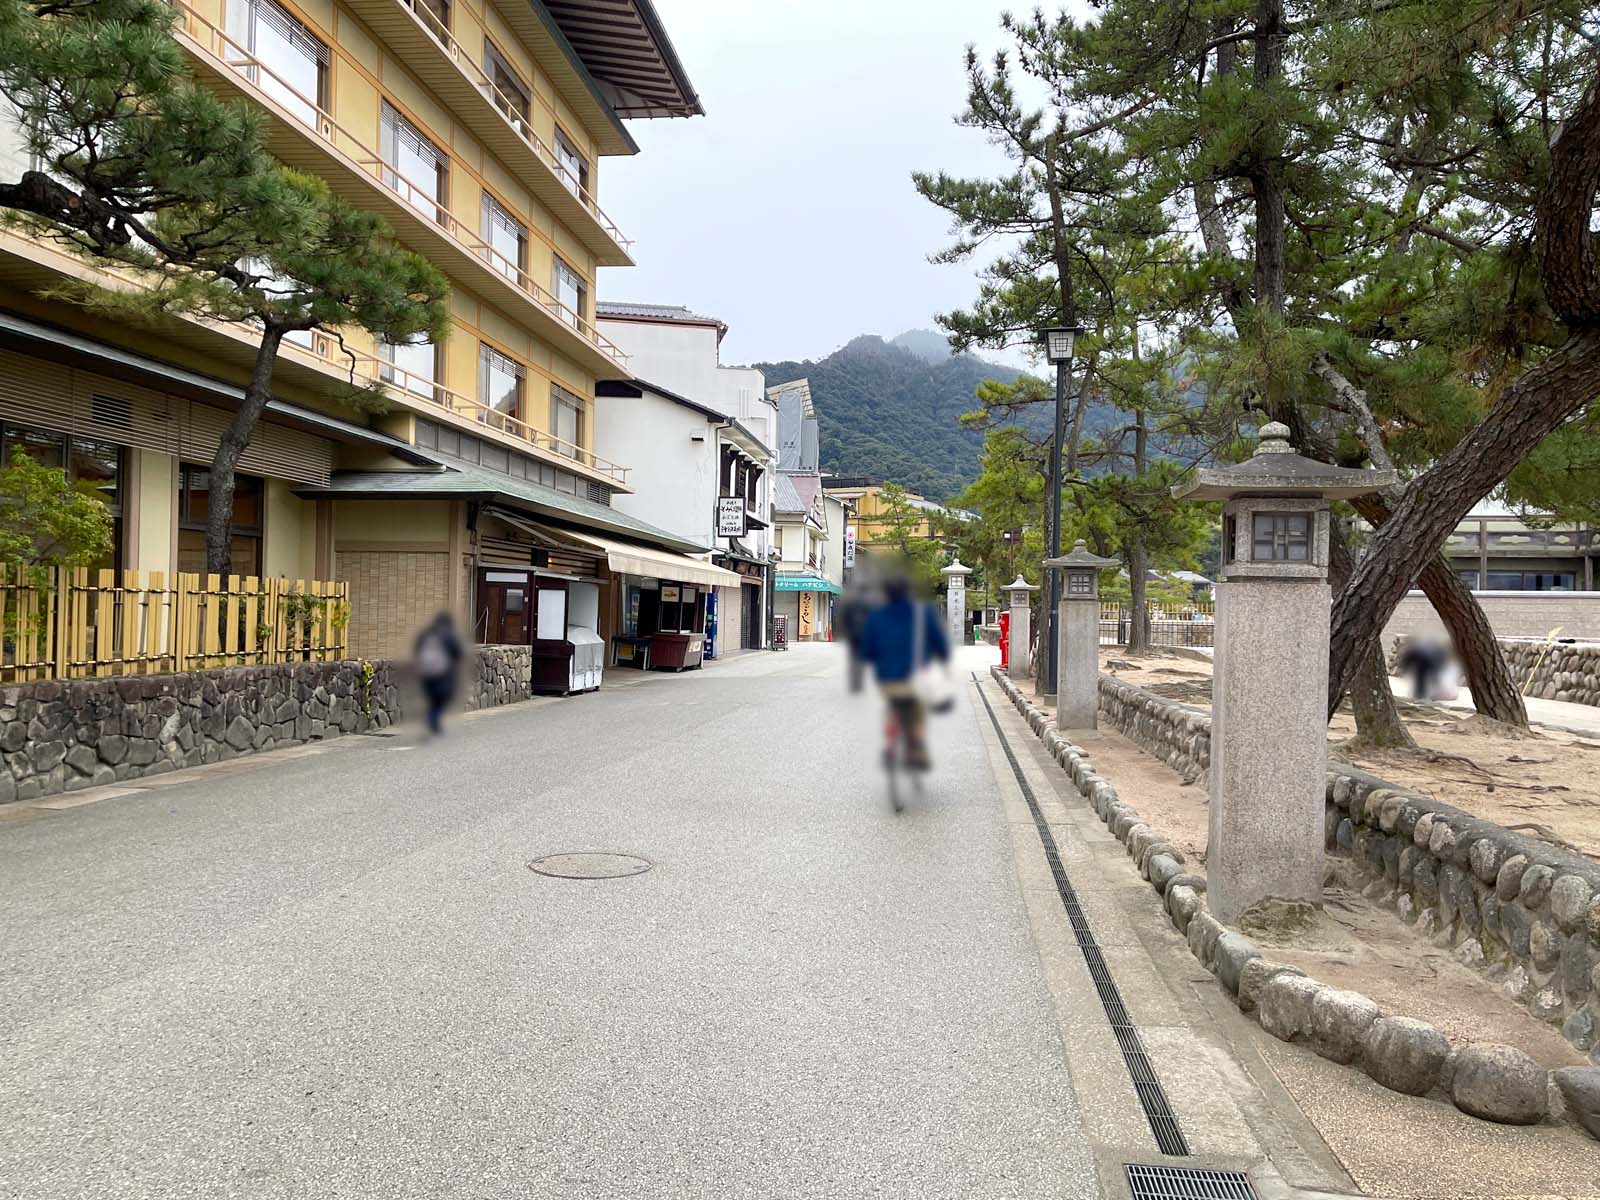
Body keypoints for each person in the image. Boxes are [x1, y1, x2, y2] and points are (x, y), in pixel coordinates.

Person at [858, 577, 950, 770]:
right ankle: (917, 745)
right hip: (916, 679)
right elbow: (940, 644)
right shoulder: (922, 614)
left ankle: (890, 745)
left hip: (887, 680)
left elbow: (867, 651)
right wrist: (942, 658)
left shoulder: (876, 616)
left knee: (892, 704)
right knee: (917, 709)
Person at [414, 612, 463, 736]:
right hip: (442, 674)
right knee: (442, 698)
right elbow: (458, 653)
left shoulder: (426, 634)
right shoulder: (448, 635)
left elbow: (417, 650)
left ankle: (432, 721)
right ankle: (431, 720)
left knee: (432, 699)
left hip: (425, 673)